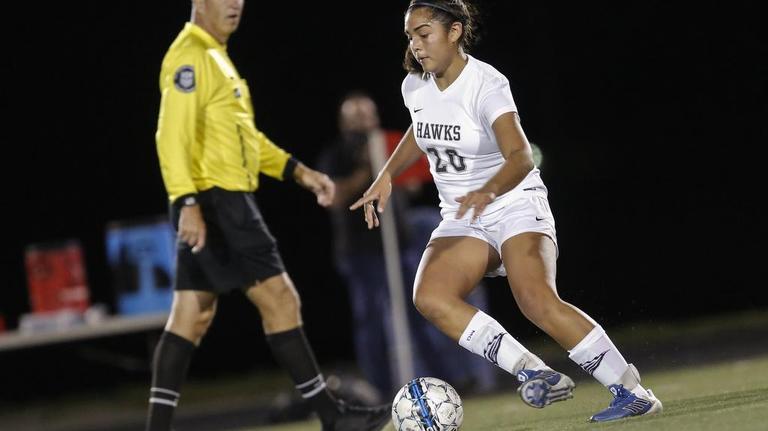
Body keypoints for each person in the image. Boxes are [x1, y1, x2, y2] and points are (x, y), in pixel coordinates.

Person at [350, 0, 663, 423]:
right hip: (464, 215)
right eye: (410, 36)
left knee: (535, 299)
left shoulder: (487, 84)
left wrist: (488, 190)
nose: (416, 44)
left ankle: (632, 391)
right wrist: (386, 174)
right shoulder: (415, 86)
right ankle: (533, 371)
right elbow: (419, 128)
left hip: (515, 202)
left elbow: (520, 156)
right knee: (430, 297)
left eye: (424, 34)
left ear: (455, 31)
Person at [146, 1, 391, 430]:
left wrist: (299, 172)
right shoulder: (191, 55)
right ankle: (332, 417)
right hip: (219, 203)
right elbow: (171, 136)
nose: (235, 4)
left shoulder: (217, 57)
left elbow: (246, 140)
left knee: (190, 315)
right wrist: (187, 202)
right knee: (281, 300)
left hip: (214, 201)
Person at [318, 92, 496, 399]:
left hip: (401, 246)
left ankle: (448, 380)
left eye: (367, 115)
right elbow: (332, 198)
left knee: (422, 312)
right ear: (343, 122)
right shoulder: (336, 155)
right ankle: (383, 388)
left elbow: (413, 183)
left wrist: (394, 170)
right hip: (362, 253)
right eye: (356, 117)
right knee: (372, 322)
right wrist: (367, 172)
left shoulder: (389, 146)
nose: (363, 123)